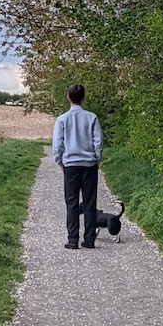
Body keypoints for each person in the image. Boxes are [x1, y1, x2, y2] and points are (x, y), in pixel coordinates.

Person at [52, 84, 103, 249]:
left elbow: (57, 145)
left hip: (71, 166)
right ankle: (89, 239)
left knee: (72, 203)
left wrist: (60, 162)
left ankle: (73, 239)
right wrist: (97, 159)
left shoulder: (62, 119)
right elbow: (98, 142)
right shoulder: (92, 117)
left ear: (68, 97)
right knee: (89, 202)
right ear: (83, 97)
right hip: (89, 165)